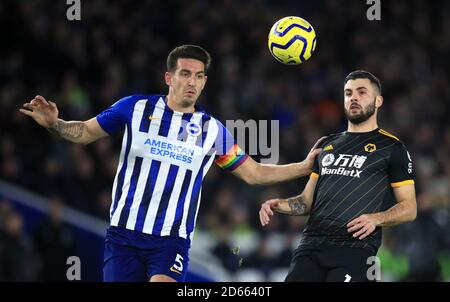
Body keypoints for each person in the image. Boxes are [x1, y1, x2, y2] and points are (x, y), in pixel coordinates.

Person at [20, 44, 322, 282]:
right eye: (185, 73)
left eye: (199, 75)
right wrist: (54, 124)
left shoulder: (213, 131)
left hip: (170, 241)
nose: (192, 81)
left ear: (205, 82)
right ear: (169, 77)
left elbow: (253, 173)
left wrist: (305, 165)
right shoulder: (134, 108)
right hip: (123, 235)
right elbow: (84, 132)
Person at [259, 70, 417, 282]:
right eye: (348, 93)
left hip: (355, 249)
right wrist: (279, 205)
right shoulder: (327, 144)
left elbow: (409, 208)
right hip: (311, 247)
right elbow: (306, 202)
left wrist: (376, 218)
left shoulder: (392, 148)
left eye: (362, 92)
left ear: (378, 101)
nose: (354, 97)